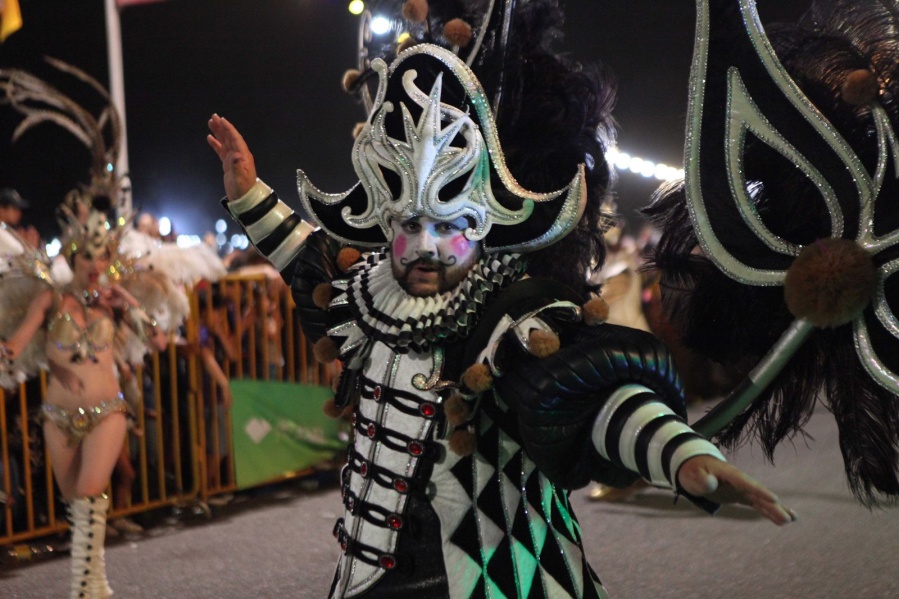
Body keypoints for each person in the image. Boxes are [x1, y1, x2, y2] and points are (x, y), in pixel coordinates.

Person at [208, 2, 794, 596]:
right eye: (410, 227)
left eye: (448, 227)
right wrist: (250, 194)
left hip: (496, 573)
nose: (424, 249)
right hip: (370, 581)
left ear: (485, 227)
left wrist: (678, 455)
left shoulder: (517, 312)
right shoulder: (368, 297)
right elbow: (309, 266)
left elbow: (590, 395)